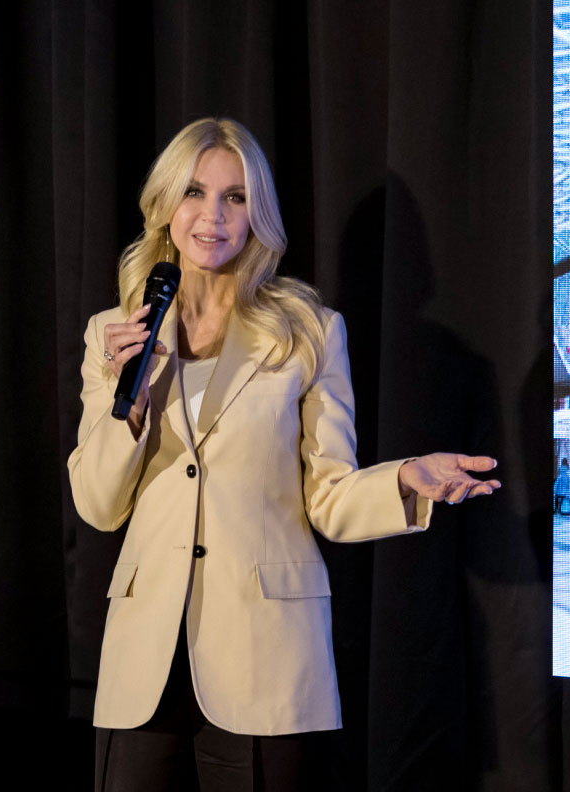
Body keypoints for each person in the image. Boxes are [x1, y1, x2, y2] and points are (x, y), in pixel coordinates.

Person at [70, 118, 501, 790]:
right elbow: (98, 506)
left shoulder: (309, 332)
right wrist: (131, 407)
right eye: (194, 192)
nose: (212, 215)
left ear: (257, 213)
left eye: (235, 197)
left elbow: (328, 498)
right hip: (145, 663)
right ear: (166, 205)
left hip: (264, 656)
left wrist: (406, 479)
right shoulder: (114, 333)